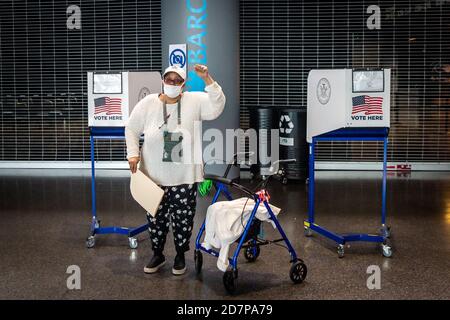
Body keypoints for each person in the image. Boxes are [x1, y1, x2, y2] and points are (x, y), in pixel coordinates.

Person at [125, 64, 226, 275]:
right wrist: (133, 153)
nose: (172, 84)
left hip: (183, 175)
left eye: (177, 81)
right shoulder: (148, 103)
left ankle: (180, 255)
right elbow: (132, 128)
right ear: (163, 80)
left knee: (184, 217)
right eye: (168, 80)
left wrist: (207, 78)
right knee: (155, 217)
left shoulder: (194, 100)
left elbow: (217, 105)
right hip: (153, 175)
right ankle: (158, 254)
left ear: (183, 84)